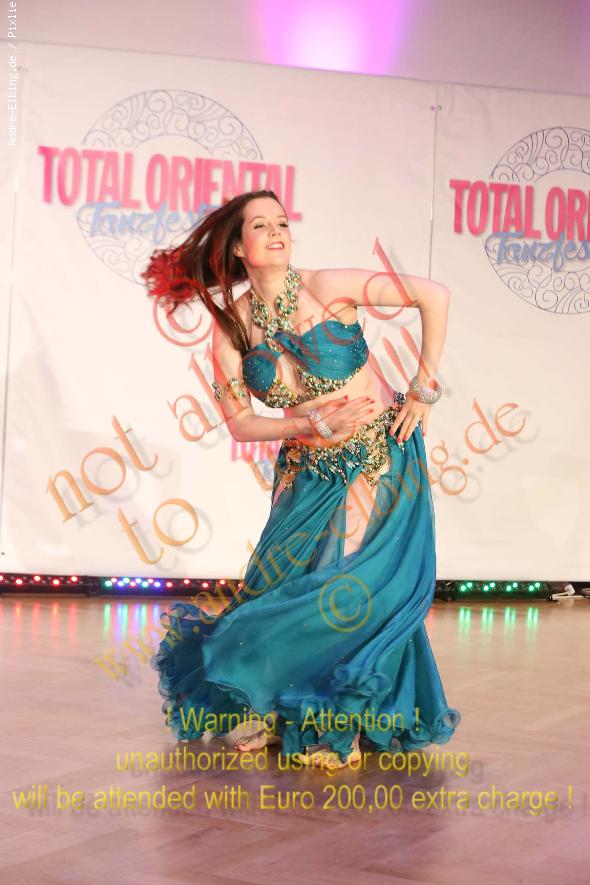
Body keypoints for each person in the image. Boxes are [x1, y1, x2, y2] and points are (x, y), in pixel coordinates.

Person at [141, 188, 461, 770]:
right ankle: (279, 708)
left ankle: (340, 721)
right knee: (276, 588)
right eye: (261, 226)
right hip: (305, 469)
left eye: (282, 223)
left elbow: (433, 295)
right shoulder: (232, 328)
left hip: (376, 455)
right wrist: (307, 422)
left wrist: (423, 387)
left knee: (348, 588)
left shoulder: (327, 285)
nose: (277, 233)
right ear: (238, 248)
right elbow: (241, 422)